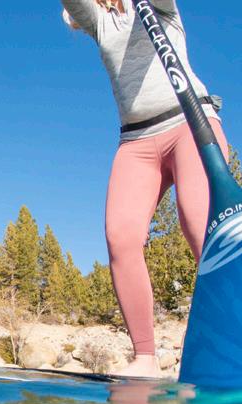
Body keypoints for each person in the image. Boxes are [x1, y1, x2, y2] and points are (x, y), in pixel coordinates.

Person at [61, 0, 229, 377]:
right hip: (136, 142)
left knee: (197, 223)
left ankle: (234, 335)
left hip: (190, 123)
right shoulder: (101, 22)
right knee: (120, 236)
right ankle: (145, 357)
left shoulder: (160, 9)